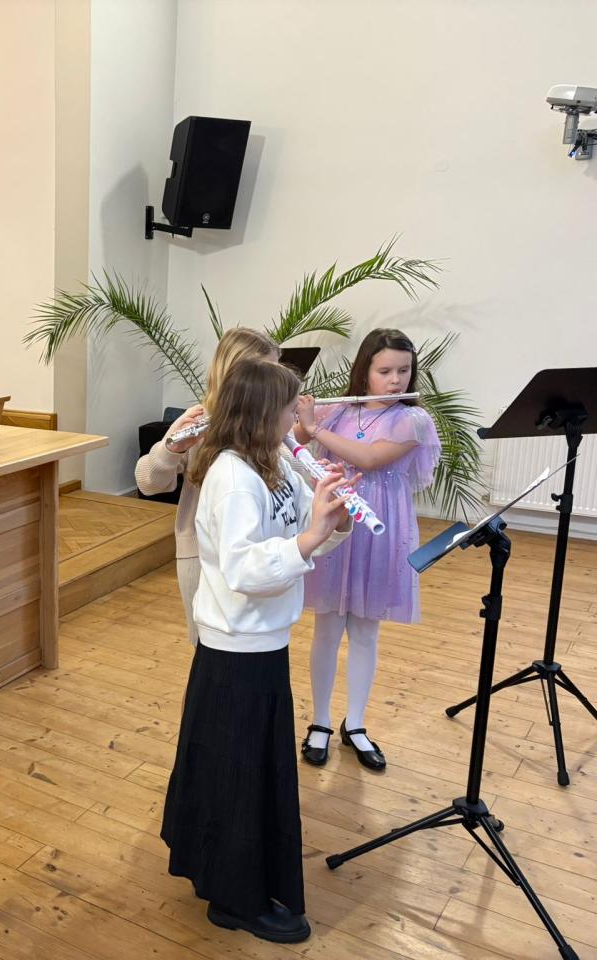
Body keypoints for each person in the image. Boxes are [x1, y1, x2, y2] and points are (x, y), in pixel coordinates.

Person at [160, 359, 353, 944]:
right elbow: (246, 569)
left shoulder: (275, 462)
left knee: (252, 774)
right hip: (236, 648)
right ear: (261, 414)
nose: (298, 419)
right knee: (237, 777)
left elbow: (303, 531)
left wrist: (332, 516)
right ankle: (233, 899)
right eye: (290, 409)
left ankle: (235, 881)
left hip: (266, 640)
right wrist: (311, 536)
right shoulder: (233, 476)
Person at [294, 329, 440, 771]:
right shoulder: (339, 409)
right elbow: (293, 439)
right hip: (335, 519)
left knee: (365, 630)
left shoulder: (413, 420)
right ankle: (320, 721)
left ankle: (354, 723)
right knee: (326, 627)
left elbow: (370, 459)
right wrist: (300, 415)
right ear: (365, 370)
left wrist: (316, 427)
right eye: (385, 371)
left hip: (380, 526)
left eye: (404, 371)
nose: (396, 380)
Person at [135, 327, 280, 645]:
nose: (274, 386)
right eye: (266, 374)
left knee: (253, 648)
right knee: (206, 649)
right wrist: (171, 450)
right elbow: (148, 483)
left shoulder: (275, 426)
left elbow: (292, 490)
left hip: (257, 556)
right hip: (200, 557)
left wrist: (301, 439)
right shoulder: (199, 420)